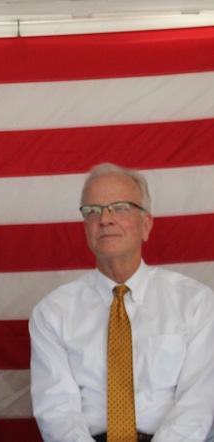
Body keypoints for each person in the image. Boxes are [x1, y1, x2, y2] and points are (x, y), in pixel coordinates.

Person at [29, 163, 214, 441]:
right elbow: (57, 414)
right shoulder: (53, 312)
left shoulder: (195, 302)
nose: (105, 219)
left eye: (120, 208)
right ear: (86, 227)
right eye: (93, 211)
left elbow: (199, 404)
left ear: (146, 224)